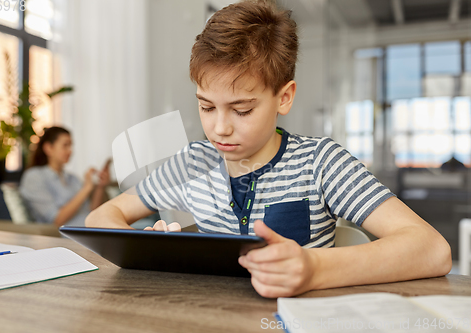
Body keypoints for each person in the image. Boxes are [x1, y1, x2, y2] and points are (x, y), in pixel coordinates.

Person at [86, 0, 451, 297]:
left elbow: (432, 249)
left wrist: (314, 268)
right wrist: (147, 249)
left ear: (284, 97)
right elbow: (101, 218)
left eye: (242, 109)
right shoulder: (193, 163)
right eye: (206, 106)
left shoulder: (320, 163)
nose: (219, 127)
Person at [20, 126, 110, 227]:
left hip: (93, 227)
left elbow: (91, 212)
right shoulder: (34, 177)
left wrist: (100, 187)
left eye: (71, 146)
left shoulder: (72, 178)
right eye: (65, 145)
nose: (70, 151)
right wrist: (86, 188)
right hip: (71, 235)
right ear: (48, 148)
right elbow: (56, 219)